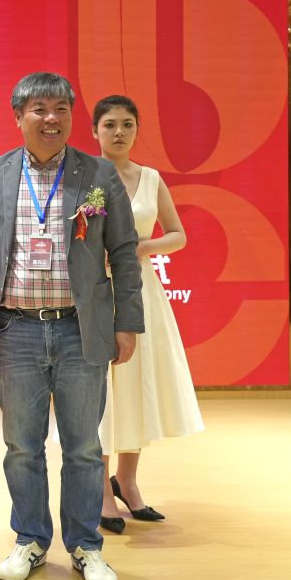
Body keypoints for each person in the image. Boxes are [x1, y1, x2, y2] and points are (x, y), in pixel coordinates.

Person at [0, 72, 144, 580]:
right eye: (39, 109)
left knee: (83, 447)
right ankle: (31, 540)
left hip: (80, 330)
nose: (51, 118)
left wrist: (127, 323)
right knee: (22, 446)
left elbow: (124, 251)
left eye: (61, 108)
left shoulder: (97, 173)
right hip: (14, 330)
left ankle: (85, 546)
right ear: (18, 117)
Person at [90, 95, 204, 534]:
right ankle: (101, 491)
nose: (119, 132)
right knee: (102, 391)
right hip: (99, 292)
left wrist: (141, 247)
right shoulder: (87, 176)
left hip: (142, 292)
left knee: (137, 385)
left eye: (127, 124)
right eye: (110, 125)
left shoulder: (151, 179)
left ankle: (128, 481)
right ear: (95, 131)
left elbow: (178, 235)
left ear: (137, 130)